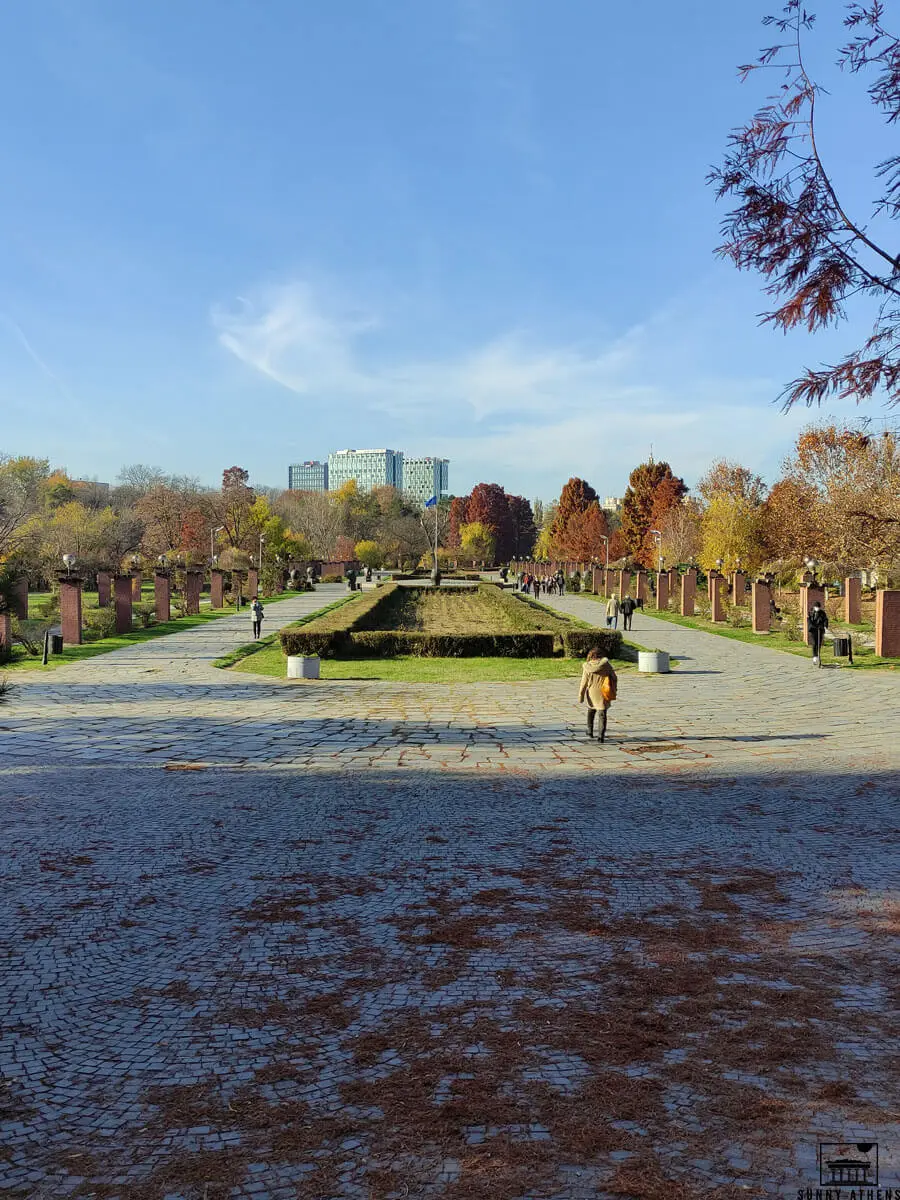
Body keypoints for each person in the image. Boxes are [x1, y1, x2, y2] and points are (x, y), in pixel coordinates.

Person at [578, 647, 618, 743]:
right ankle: (601, 736)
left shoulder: (587, 667)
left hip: (592, 691)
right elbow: (614, 677)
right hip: (603, 691)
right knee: (602, 714)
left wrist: (581, 695)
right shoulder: (606, 665)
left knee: (591, 710)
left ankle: (590, 731)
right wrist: (614, 688)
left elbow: (584, 682)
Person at [808, 599, 829, 665]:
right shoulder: (811, 612)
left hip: (820, 630)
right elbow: (809, 620)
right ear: (814, 607)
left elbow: (825, 620)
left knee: (819, 643)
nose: (817, 608)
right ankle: (815, 656)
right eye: (816, 607)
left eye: (819, 607)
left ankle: (818, 655)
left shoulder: (822, 613)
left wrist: (825, 626)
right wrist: (812, 626)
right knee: (814, 643)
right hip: (813, 630)